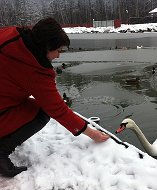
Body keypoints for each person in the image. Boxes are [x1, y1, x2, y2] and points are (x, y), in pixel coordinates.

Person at [0, 17, 109, 177]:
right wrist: (93, 133)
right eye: (58, 50)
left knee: (27, 101)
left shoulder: (8, 34)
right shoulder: (36, 71)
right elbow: (57, 109)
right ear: (46, 46)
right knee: (42, 111)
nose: (58, 56)